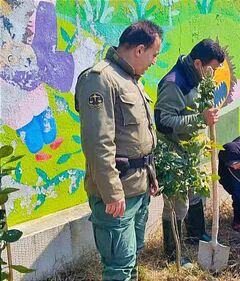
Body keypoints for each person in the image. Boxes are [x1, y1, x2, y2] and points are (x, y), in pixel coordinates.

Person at [75, 21, 162, 280]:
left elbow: (137, 138)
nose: (154, 62)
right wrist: (112, 193)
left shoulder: (130, 79)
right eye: (154, 54)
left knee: (132, 259)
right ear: (139, 49)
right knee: (119, 267)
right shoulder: (100, 79)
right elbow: (97, 144)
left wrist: (151, 177)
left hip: (138, 188)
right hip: (118, 195)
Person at [154, 38, 224, 266]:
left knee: (196, 194)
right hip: (174, 153)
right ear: (197, 63)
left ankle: (196, 234)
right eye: (212, 69)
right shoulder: (174, 83)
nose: (214, 74)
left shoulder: (200, 80)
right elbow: (162, 121)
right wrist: (199, 118)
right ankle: (172, 252)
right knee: (177, 203)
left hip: (191, 151)